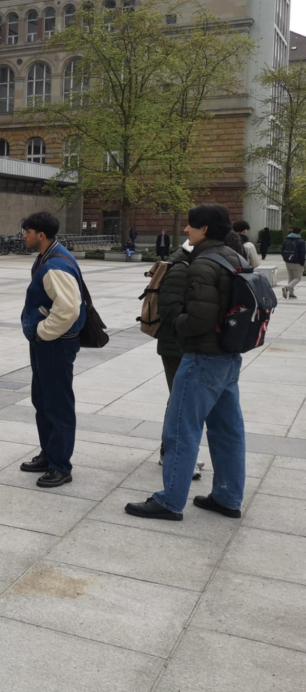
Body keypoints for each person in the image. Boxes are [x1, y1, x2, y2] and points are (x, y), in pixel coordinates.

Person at [126, 204, 247, 521]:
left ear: (204, 229)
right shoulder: (234, 257)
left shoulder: (202, 265)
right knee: (227, 431)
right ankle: (227, 497)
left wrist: (176, 322)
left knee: (181, 429)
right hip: (228, 358)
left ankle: (169, 501)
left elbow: (198, 319)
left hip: (202, 358)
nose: (186, 231)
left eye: (191, 226)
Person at [18, 212, 86, 488]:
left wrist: (42, 332)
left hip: (55, 343)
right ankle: (49, 454)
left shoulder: (55, 265)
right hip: (48, 343)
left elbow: (69, 308)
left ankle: (60, 465)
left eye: (27, 231)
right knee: (43, 400)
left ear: (40, 235)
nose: (23, 235)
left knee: (57, 404)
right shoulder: (48, 257)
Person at [155, 238, 203, 480]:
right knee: (179, 401)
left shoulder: (188, 266)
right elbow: (170, 309)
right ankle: (170, 453)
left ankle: (174, 451)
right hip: (175, 345)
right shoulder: (180, 269)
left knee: (181, 400)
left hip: (182, 344)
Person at [280, 226, 306, 299]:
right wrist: (302, 263)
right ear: (300, 232)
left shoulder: (287, 240)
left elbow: (282, 251)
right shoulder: (301, 241)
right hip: (297, 262)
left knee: (291, 277)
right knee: (297, 278)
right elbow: (302, 253)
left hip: (288, 261)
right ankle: (287, 288)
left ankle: (291, 294)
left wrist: (285, 259)